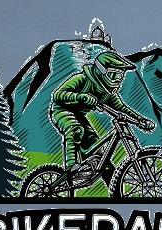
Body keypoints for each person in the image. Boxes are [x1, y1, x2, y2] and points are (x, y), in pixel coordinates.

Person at [46, 24, 148, 189]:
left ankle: (114, 191)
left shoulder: (108, 92)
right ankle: (72, 167)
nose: (117, 80)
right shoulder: (83, 79)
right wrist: (82, 97)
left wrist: (141, 120)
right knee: (75, 129)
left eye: (120, 76)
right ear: (101, 71)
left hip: (79, 114)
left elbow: (122, 108)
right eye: (113, 74)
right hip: (61, 110)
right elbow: (58, 95)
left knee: (100, 155)